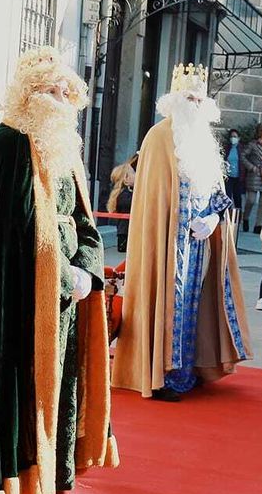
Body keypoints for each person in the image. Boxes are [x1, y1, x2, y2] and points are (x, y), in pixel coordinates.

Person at [0, 47, 116, 494]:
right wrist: (66, 277)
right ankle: (17, 487)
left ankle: (50, 478)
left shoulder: (61, 144)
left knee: (61, 387)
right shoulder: (6, 143)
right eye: (49, 89)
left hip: (65, 294)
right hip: (20, 300)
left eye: (65, 90)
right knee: (25, 391)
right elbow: (17, 233)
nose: (59, 97)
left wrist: (86, 270)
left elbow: (83, 220)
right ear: (26, 94)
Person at [112, 64, 252, 399]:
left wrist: (213, 221)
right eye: (188, 97)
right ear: (174, 99)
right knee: (170, 304)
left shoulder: (205, 140)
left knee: (194, 306)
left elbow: (219, 195)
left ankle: (190, 369)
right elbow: (154, 199)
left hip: (199, 243)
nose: (194, 103)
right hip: (168, 243)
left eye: (199, 98)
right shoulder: (158, 137)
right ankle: (164, 375)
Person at [107, 151, 139, 252]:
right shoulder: (124, 195)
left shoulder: (124, 193)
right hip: (125, 232)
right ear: (126, 178)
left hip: (127, 231)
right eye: (133, 173)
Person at [222, 128, 244, 217]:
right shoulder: (227, 148)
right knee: (227, 196)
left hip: (238, 177)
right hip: (229, 177)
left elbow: (243, 162)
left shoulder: (241, 149)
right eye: (231, 137)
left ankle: (238, 217)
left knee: (237, 198)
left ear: (238, 138)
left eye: (235, 136)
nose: (233, 138)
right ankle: (226, 216)